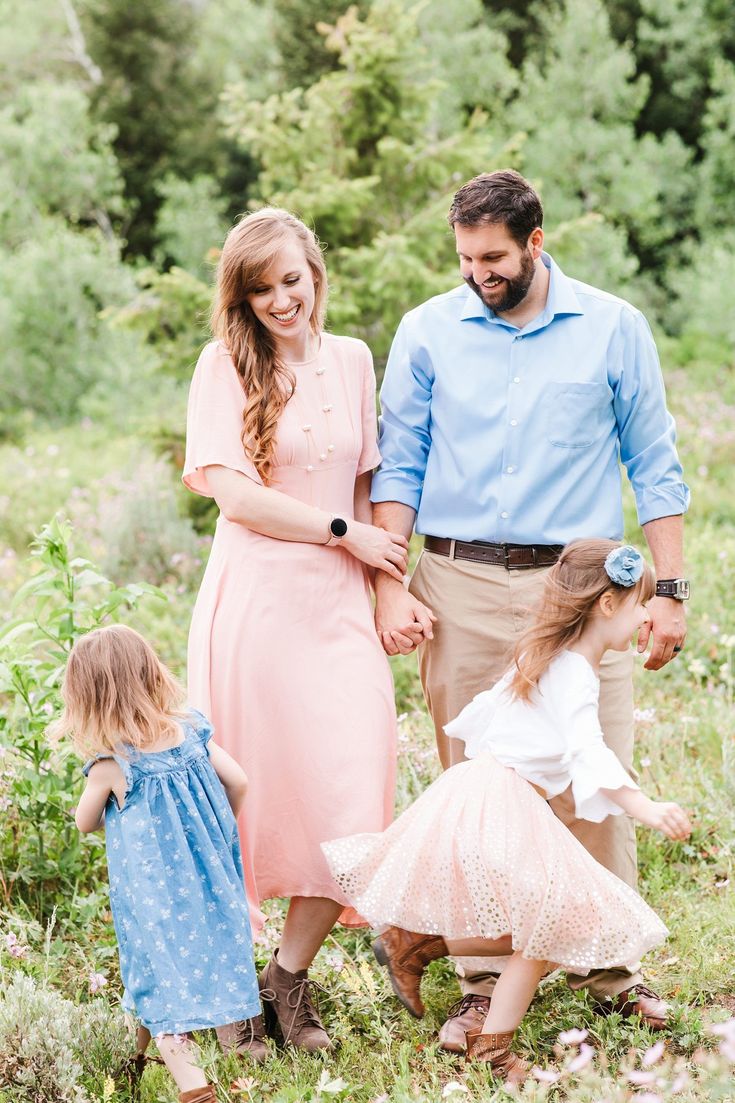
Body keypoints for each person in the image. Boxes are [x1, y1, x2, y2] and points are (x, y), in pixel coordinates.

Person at [370, 170, 690, 1048]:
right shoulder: (426, 331)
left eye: (496, 258)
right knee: (479, 787)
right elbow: (399, 464)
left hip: (581, 590)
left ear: (534, 243)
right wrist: (390, 579)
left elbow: (654, 466)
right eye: (467, 258)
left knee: (592, 771)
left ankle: (609, 969)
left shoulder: (612, 328)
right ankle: (480, 978)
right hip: (459, 582)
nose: (479, 273)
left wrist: (666, 590)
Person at [323, 540, 692, 1085]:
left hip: (486, 789)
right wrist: (646, 806)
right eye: (639, 604)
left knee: (538, 929)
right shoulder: (574, 673)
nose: (645, 616)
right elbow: (589, 750)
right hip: (506, 800)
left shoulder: (542, 653)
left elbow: (485, 717)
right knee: (542, 933)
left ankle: (415, 944)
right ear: (607, 606)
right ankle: (492, 1051)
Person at [183, 207, 403, 1052]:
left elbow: (363, 485)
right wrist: (347, 536)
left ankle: (287, 978)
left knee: (353, 793)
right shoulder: (224, 365)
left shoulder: (350, 360)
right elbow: (235, 496)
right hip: (257, 603)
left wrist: (387, 584)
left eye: (291, 280)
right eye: (261, 287)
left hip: (337, 605)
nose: (281, 300)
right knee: (247, 799)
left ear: (315, 271)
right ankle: (230, 990)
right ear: (240, 297)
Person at [51, 625, 261, 1103]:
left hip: (153, 896)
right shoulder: (191, 732)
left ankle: (195, 1088)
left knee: (162, 984)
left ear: (88, 697)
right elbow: (240, 782)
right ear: (151, 673)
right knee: (160, 969)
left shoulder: (112, 765)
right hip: (210, 879)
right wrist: (216, 836)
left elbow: (85, 822)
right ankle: (134, 1060)